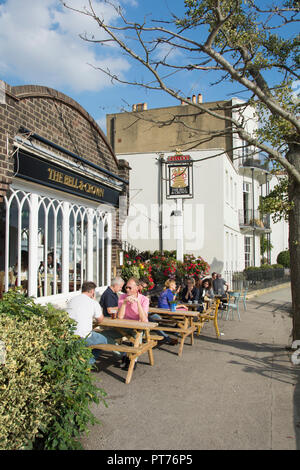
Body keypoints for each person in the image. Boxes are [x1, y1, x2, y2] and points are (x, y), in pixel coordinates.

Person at [66, 281, 107, 370]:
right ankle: (88, 364)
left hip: (69, 334)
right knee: (104, 340)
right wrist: (95, 302)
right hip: (84, 336)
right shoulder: (93, 303)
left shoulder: (72, 300)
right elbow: (100, 320)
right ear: (92, 291)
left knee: (89, 336)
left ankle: (81, 361)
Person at [118, 277, 150, 370]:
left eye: (130, 288)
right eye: (126, 287)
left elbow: (144, 319)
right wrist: (124, 303)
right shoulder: (123, 297)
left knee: (137, 335)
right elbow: (120, 317)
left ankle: (132, 360)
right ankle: (125, 354)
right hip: (125, 326)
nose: (127, 289)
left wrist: (138, 303)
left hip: (139, 327)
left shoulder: (144, 299)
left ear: (137, 288)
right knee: (112, 335)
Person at [140, 278, 178, 346]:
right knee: (152, 320)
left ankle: (166, 336)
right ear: (171, 285)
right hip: (166, 310)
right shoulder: (169, 292)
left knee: (153, 318)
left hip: (160, 310)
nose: (176, 285)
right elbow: (172, 304)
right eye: (175, 284)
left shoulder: (165, 291)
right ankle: (169, 335)